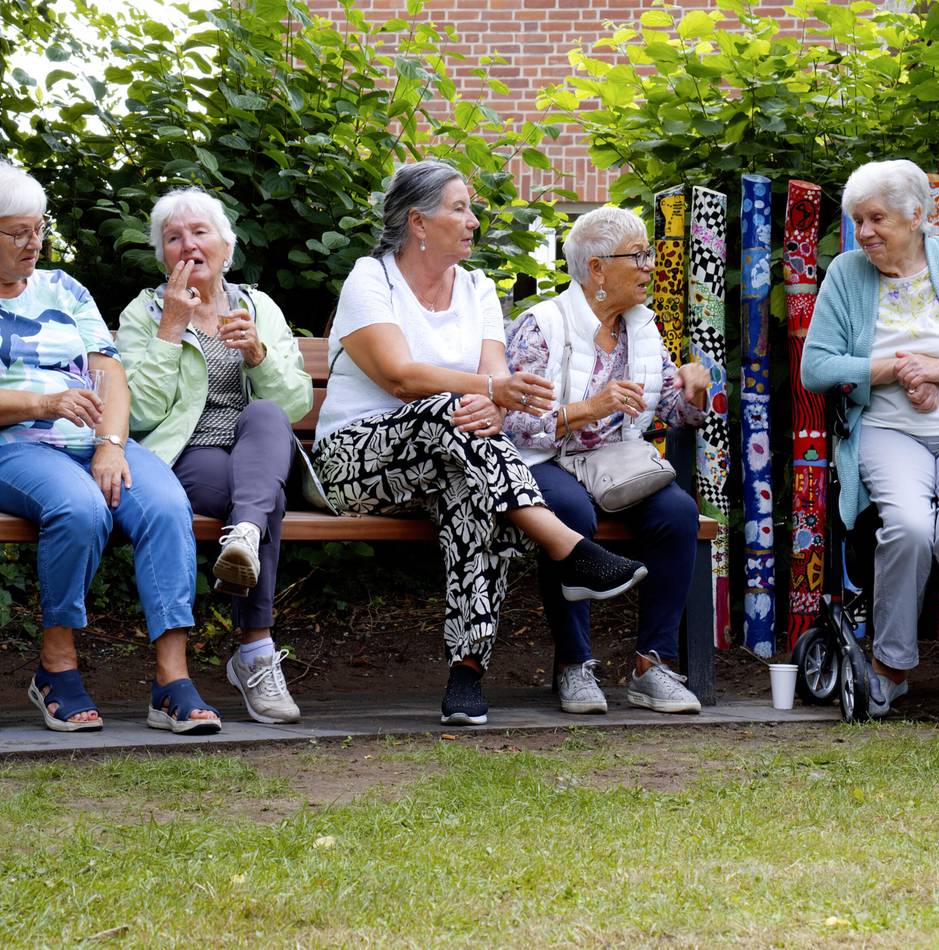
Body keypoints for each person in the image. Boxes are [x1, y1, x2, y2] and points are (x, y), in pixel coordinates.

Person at [313, 159, 646, 726]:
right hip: (355, 464)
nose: (473, 221)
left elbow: (497, 385)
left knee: (474, 492)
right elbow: (400, 377)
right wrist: (488, 392)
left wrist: (493, 403)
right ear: (418, 222)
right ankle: (568, 549)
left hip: (452, 463)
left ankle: (466, 675)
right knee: (448, 414)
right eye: (459, 208)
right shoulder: (372, 279)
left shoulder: (478, 288)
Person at [0, 162, 220, 734]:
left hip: (90, 437)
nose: (33, 243)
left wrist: (112, 445)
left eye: (39, 229)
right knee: (79, 507)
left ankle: (171, 680)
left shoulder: (64, 289)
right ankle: (56, 666)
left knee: (166, 505)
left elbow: (110, 374)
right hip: (15, 445)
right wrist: (43, 402)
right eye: (18, 233)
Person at [116, 187, 313, 724]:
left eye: (200, 232)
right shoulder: (145, 312)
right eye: (173, 238)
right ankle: (255, 650)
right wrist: (170, 329)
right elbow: (140, 414)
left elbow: (294, 405)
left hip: (257, 448)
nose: (188, 245)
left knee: (266, 415)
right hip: (189, 454)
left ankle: (244, 535)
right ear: (163, 256)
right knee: (263, 501)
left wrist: (258, 356)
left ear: (226, 246)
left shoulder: (257, 307)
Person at [504, 206, 710, 715]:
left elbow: (672, 411)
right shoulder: (542, 326)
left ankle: (651, 666)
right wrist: (587, 409)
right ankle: (574, 663)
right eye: (637, 256)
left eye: (648, 254)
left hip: (614, 464)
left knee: (678, 513)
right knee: (569, 512)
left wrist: (695, 392)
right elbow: (511, 422)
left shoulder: (642, 328)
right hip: (546, 458)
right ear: (596, 268)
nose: (649, 265)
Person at [802, 157, 939, 717]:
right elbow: (816, 367)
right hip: (888, 430)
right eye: (858, 220)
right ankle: (891, 666)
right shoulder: (847, 274)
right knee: (908, 528)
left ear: (916, 216)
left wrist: (938, 369)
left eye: (877, 219)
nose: (864, 232)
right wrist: (894, 369)